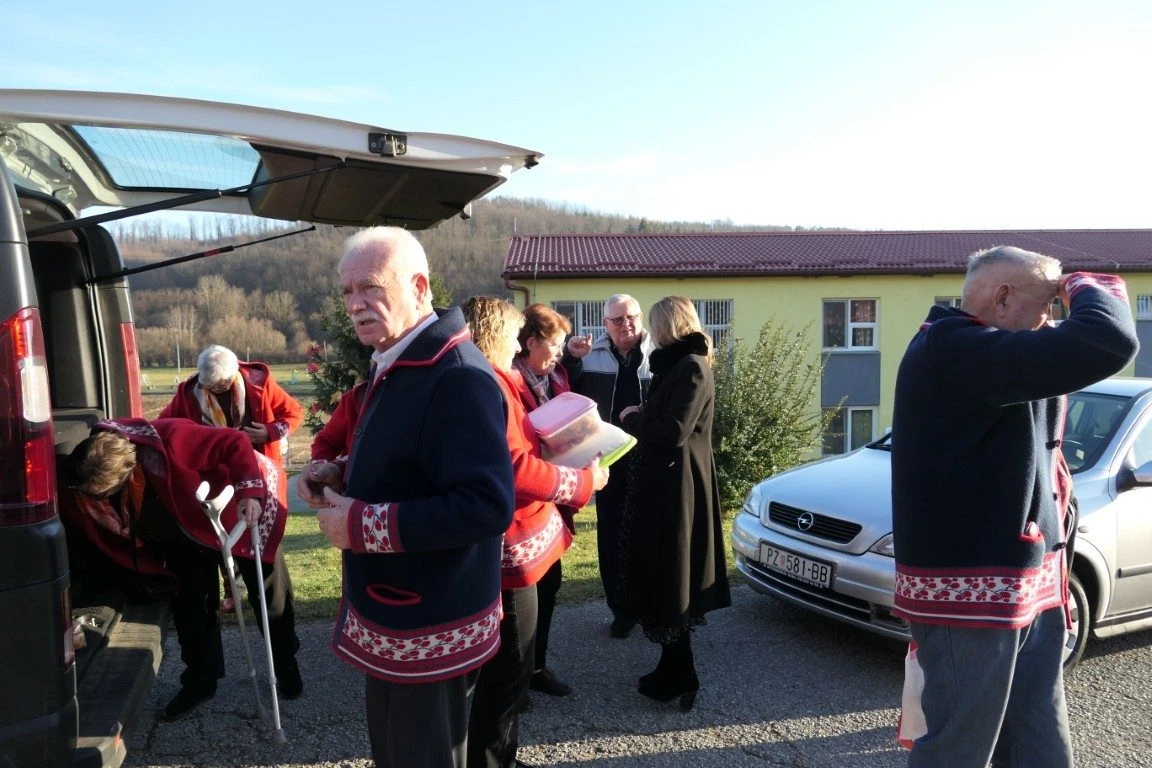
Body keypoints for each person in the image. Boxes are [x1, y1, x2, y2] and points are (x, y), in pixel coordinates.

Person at [891, 246, 1139, 767]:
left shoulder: (993, 349)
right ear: (1002, 298)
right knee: (958, 747)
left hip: (1034, 581)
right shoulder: (953, 347)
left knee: (1037, 734)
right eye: (1045, 306)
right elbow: (1108, 339)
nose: (1050, 321)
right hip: (972, 593)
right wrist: (1084, 286)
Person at [297, 227, 514, 768]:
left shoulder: (456, 376)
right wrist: (339, 470)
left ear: (419, 286)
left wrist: (362, 525)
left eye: (370, 287)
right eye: (347, 292)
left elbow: (487, 505)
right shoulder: (398, 359)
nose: (356, 304)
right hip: (399, 613)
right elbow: (412, 459)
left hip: (430, 619)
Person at [60, 417, 302, 721]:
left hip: (238, 510)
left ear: (128, 473)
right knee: (191, 604)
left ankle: (286, 665)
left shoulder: (172, 438)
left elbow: (234, 442)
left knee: (269, 597)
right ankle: (201, 682)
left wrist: (248, 493)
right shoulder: (91, 464)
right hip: (182, 529)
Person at [461, 296, 608, 768]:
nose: (520, 345)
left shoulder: (484, 377)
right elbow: (515, 468)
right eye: (515, 336)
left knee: (507, 664)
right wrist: (584, 481)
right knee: (508, 667)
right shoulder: (488, 381)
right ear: (499, 336)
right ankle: (489, 760)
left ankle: (495, 753)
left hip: (516, 535)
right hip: (512, 544)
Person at [616, 296, 731, 711]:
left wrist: (633, 419)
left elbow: (674, 431)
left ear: (668, 324)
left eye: (655, 322)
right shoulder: (677, 366)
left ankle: (682, 673)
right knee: (665, 577)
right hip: (664, 484)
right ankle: (674, 667)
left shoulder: (692, 367)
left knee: (673, 577)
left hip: (678, 490)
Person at [562, 293, 651, 637]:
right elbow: (568, 393)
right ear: (606, 325)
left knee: (646, 532)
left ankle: (647, 603)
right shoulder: (591, 354)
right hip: (608, 463)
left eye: (631, 317)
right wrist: (571, 359)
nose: (626, 324)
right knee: (611, 535)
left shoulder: (656, 354)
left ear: (640, 317)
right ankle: (621, 608)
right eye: (617, 320)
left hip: (648, 460)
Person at [512, 303, 582, 705]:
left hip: (557, 500)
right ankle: (513, 676)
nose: (559, 353)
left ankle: (536, 667)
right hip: (527, 502)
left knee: (551, 584)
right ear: (531, 343)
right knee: (522, 593)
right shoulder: (510, 381)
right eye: (553, 345)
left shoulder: (557, 375)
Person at [160, 344, 304, 470]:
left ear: (232, 375)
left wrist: (270, 432)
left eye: (218, 385)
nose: (213, 389)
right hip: (212, 469)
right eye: (208, 385)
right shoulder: (190, 391)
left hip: (259, 465)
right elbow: (165, 423)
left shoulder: (258, 382)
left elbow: (293, 413)